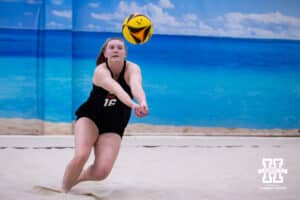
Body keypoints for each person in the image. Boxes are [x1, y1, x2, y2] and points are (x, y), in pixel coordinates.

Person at [61, 37, 148, 193]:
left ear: (125, 53)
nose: (116, 50)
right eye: (112, 47)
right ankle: (63, 191)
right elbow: (117, 89)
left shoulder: (132, 68)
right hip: (90, 118)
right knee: (81, 155)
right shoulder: (100, 71)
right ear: (105, 53)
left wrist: (142, 102)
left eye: (120, 48)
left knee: (102, 172)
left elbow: (136, 86)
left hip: (114, 124)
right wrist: (133, 105)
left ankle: (76, 178)